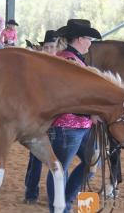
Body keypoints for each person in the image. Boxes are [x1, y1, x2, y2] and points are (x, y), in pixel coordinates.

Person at [46, 19, 102, 213]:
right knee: (60, 170)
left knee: (92, 161)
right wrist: (90, 112)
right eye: (88, 39)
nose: (90, 43)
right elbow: (71, 96)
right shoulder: (68, 60)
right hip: (68, 126)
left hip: (79, 125)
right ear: (79, 39)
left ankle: (65, 204)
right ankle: (59, 209)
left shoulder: (72, 58)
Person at [23, 30, 58, 204]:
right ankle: (31, 192)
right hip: (39, 116)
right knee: (36, 156)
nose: (49, 51)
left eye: (52, 47)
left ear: (57, 47)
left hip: (55, 117)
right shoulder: (37, 66)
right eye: (46, 47)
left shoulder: (61, 67)